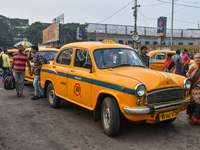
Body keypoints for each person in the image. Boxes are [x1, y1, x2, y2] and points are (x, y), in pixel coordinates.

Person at [186, 53, 200, 124]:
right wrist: (189, 71)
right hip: (193, 88)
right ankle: (191, 116)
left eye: (199, 58)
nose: (198, 59)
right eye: (196, 58)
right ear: (194, 59)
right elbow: (188, 76)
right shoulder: (192, 66)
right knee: (193, 101)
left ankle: (196, 117)